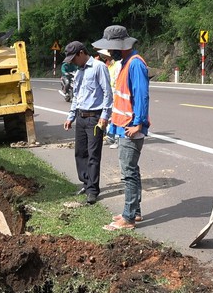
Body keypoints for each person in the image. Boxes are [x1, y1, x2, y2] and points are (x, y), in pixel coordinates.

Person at [93, 26, 150, 231]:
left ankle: (128, 217)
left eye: (112, 48)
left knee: (128, 173)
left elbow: (142, 96)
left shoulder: (134, 64)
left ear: (120, 46)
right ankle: (134, 211)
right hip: (124, 126)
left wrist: (138, 123)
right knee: (132, 170)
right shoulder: (125, 63)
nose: (109, 53)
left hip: (131, 128)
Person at [62, 41, 113, 205]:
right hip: (81, 117)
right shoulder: (79, 72)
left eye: (74, 58)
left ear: (82, 53)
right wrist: (71, 117)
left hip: (94, 118)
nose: (73, 62)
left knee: (93, 155)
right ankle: (86, 182)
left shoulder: (99, 67)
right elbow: (76, 96)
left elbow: (107, 93)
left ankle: (93, 190)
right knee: (80, 153)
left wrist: (105, 116)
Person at [97, 49, 122, 149]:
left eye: (106, 58)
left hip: (115, 94)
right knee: (108, 116)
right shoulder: (108, 67)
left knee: (115, 118)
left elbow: (117, 82)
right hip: (108, 94)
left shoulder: (117, 65)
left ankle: (117, 139)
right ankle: (110, 137)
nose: (105, 60)